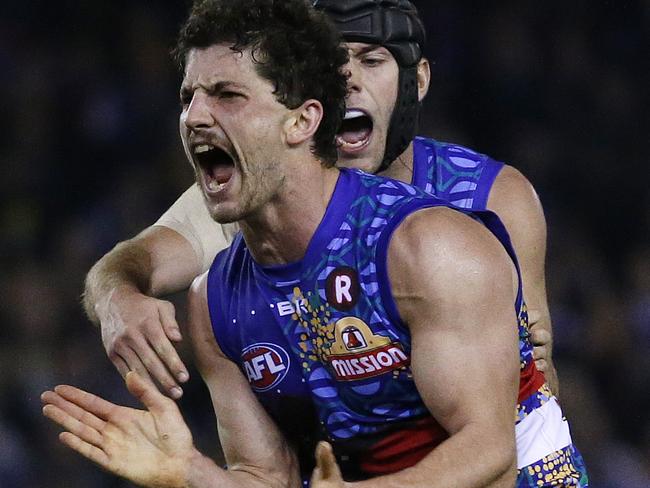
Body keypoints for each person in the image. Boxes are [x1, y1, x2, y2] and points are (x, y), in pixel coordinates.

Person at [44, 0, 587, 486]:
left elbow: (490, 455)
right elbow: (264, 477)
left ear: (304, 120)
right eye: (188, 97)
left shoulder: (436, 238)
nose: (193, 117)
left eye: (228, 95)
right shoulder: (215, 295)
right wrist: (189, 474)